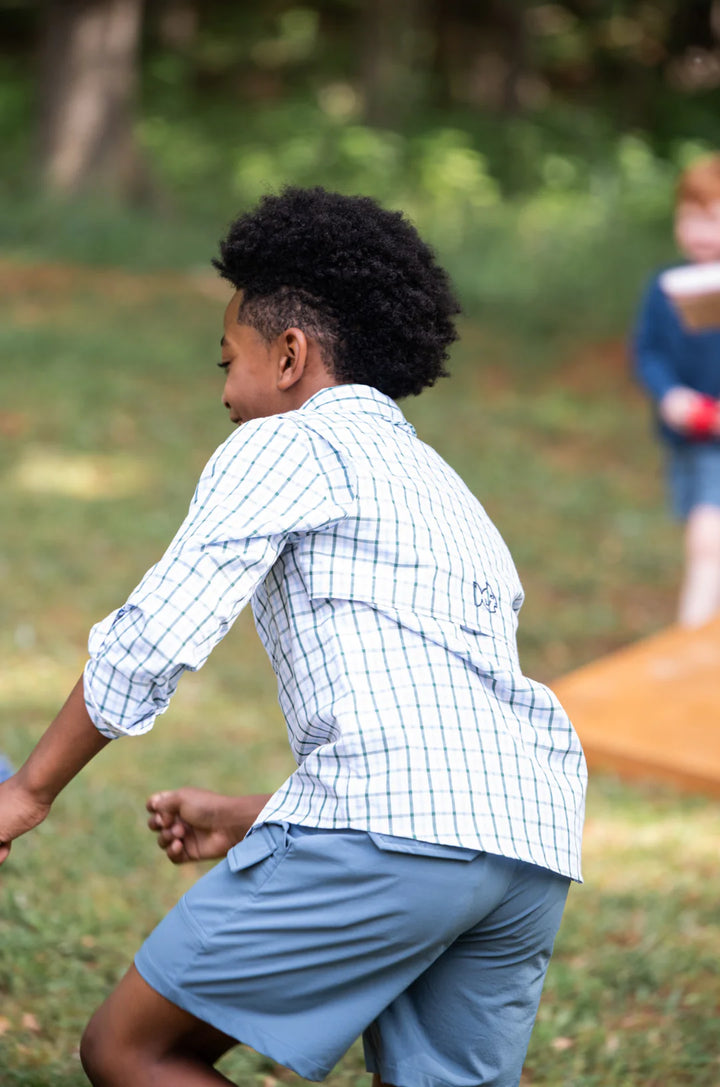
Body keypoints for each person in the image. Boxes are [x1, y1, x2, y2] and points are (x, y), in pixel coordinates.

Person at [0, 186, 587, 1087]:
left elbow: (155, 634)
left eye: (226, 360)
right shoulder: (443, 486)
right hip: (532, 843)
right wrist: (254, 819)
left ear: (288, 355)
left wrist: (31, 788)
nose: (225, 394)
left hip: (395, 832)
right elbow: (439, 723)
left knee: (130, 1048)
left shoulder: (288, 444)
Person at [633, 154, 720, 628]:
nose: (699, 230)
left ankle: (694, 633)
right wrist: (669, 395)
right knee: (701, 525)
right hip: (686, 437)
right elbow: (648, 352)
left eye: (711, 218)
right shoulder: (664, 287)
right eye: (689, 216)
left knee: (708, 538)